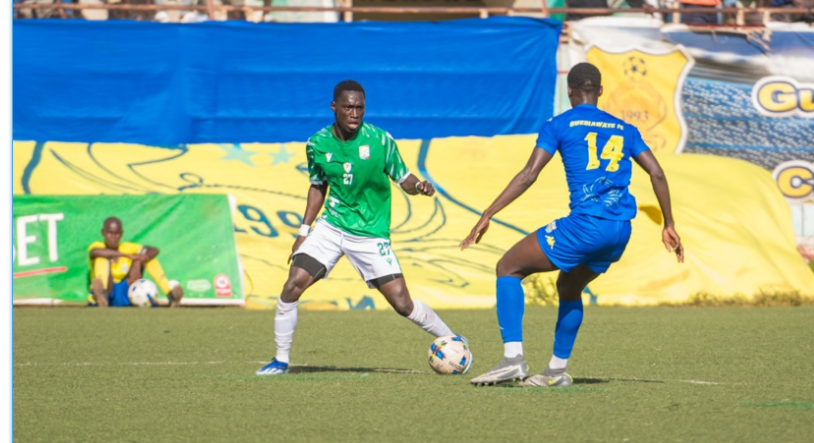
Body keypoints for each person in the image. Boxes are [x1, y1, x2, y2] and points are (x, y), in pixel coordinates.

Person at [460, 62, 683, 387]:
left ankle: (512, 360)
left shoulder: (559, 124)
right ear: (600, 92)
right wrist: (669, 223)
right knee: (568, 287)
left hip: (586, 225)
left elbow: (529, 175)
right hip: (620, 230)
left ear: (570, 92)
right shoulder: (625, 129)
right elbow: (658, 173)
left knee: (508, 267)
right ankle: (554, 371)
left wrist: (488, 213)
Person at [256, 80, 465, 376]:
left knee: (402, 304)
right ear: (334, 107)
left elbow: (403, 178)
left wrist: (419, 186)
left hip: (369, 233)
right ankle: (280, 360)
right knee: (293, 284)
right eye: (348, 107)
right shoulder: (316, 144)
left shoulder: (380, 140)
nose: (354, 113)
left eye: (360, 107)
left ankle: (452, 340)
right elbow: (318, 187)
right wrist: (303, 232)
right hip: (331, 226)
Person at [89, 216, 184, 307]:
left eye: (117, 233)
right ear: (103, 233)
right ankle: (101, 296)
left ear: (122, 234)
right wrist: (127, 255)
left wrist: (139, 260)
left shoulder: (127, 247)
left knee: (147, 258)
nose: (113, 236)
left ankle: (171, 295)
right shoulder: (97, 245)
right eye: (110, 233)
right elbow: (95, 252)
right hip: (109, 290)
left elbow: (154, 250)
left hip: (124, 291)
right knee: (101, 258)